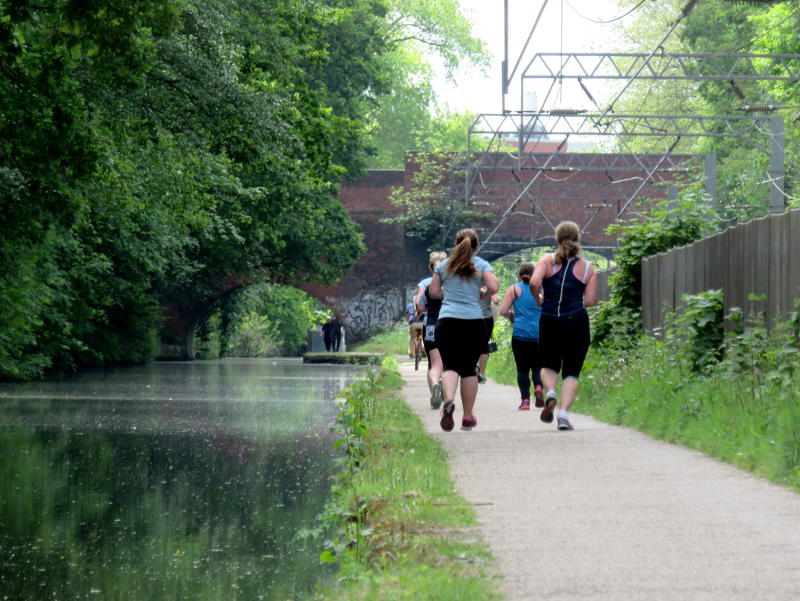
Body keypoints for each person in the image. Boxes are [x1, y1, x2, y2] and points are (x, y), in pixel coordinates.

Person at [428, 229, 499, 432]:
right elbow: (494, 286)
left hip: (447, 321)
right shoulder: (481, 264)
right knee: (469, 369)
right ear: (476, 246)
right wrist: (483, 292)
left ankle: (449, 400)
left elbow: (433, 292)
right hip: (473, 322)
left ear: (456, 244)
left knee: (450, 366)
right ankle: (467, 417)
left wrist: (448, 293)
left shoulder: (443, 265)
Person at [530, 221, 597, 431]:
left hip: (549, 320)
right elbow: (591, 300)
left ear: (557, 239)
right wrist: (575, 301)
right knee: (572, 372)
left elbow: (533, 282)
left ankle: (550, 392)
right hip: (576, 322)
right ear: (577, 239)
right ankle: (564, 416)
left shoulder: (547, 261)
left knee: (548, 365)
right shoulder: (587, 267)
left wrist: (539, 299)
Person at [498, 262, 544, 411]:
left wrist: (513, 317)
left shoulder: (514, 289)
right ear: (534, 274)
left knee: (522, 369)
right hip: (539, 335)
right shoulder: (540, 290)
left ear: (519, 274)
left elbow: (503, 311)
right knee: (537, 367)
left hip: (520, 334)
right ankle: (538, 388)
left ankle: (525, 401)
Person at [414, 251, 448, 408]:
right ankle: (446, 392)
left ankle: (434, 387)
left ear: (430, 267)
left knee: (434, 364)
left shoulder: (426, 284)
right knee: (448, 363)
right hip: (449, 325)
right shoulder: (451, 283)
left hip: (431, 326)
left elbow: (420, 306)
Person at [476, 286, 499, 384]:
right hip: (487, 319)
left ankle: (475, 366)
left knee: (474, 344)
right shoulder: (488, 286)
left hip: (473, 317)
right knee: (484, 345)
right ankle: (482, 374)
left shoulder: (471, 284)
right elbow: (496, 300)